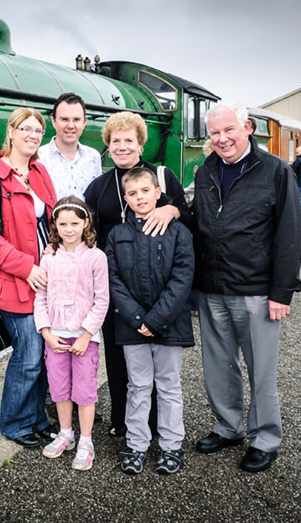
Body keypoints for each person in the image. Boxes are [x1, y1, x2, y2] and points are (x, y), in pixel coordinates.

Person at [192, 101, 301, 473]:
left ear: (247, 128)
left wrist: (281, 292)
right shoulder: (206, 171)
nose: (221, 139)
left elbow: (289, 235)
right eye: (214, 133)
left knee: (261, 370)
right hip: (212, 288)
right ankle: (228, 427)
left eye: (228, 130)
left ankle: (265, 438)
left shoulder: (274, 171)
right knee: (218, 366)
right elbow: (199, 224)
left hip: (256, 291)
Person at [84, 112, 193, 438]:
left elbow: (188, 218)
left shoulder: (162, 176)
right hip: (116, 287)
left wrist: (172, 208)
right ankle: (123, 419)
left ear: (140, 143)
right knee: (119, 358)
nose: (121, 146)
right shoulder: (99, 186)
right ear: (108, 145)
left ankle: (159, 424)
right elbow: (88, 232)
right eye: (115, 141)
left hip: (158, 284)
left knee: (159, 362)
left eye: (128, 140)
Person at [0, 107, 58, 448]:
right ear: (11, 132)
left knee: (42, 357)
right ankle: (15, 423)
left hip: (44, 279)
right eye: (25, 129)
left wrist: (52, 252)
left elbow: (50, 220)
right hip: (13, 282)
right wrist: (27, 267)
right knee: (29, 354)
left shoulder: (39, 171)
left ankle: (37, 419)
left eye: (38, 130)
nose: (32, 135)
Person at [107, 168, 194, 475]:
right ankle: (137, 443)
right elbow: (113, 280)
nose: (139, 197)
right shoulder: (118, 235)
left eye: (145, 191)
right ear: (126, 198)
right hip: (132, 327)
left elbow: (182, 278)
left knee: (169, 385)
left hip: (169, 324)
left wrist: (155, 319)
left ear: (158, 193)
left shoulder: (179, 232)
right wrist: (136, 318)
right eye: (132, 193)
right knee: (138, 386)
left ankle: (172, 445)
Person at [34, 196, 109, 471]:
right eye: (62, 223)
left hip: (83, 337)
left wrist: (87, 334)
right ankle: (66, 433)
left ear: (85, 223)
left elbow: (102, 300)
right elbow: (40, 298)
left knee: (85, 390)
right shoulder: (49, 257)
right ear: (55, 224)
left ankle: (86, 440)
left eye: (74, 223)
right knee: (60, 388)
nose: (68, 229)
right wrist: (46, 332)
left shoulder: (95, 257)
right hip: (55, 336)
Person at [36, 92, 102, 200]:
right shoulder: (39, 157)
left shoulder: (94, 157)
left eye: (76, 120)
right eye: (64, 119)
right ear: (54, 122)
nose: (71, 126)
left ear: (84, 123)